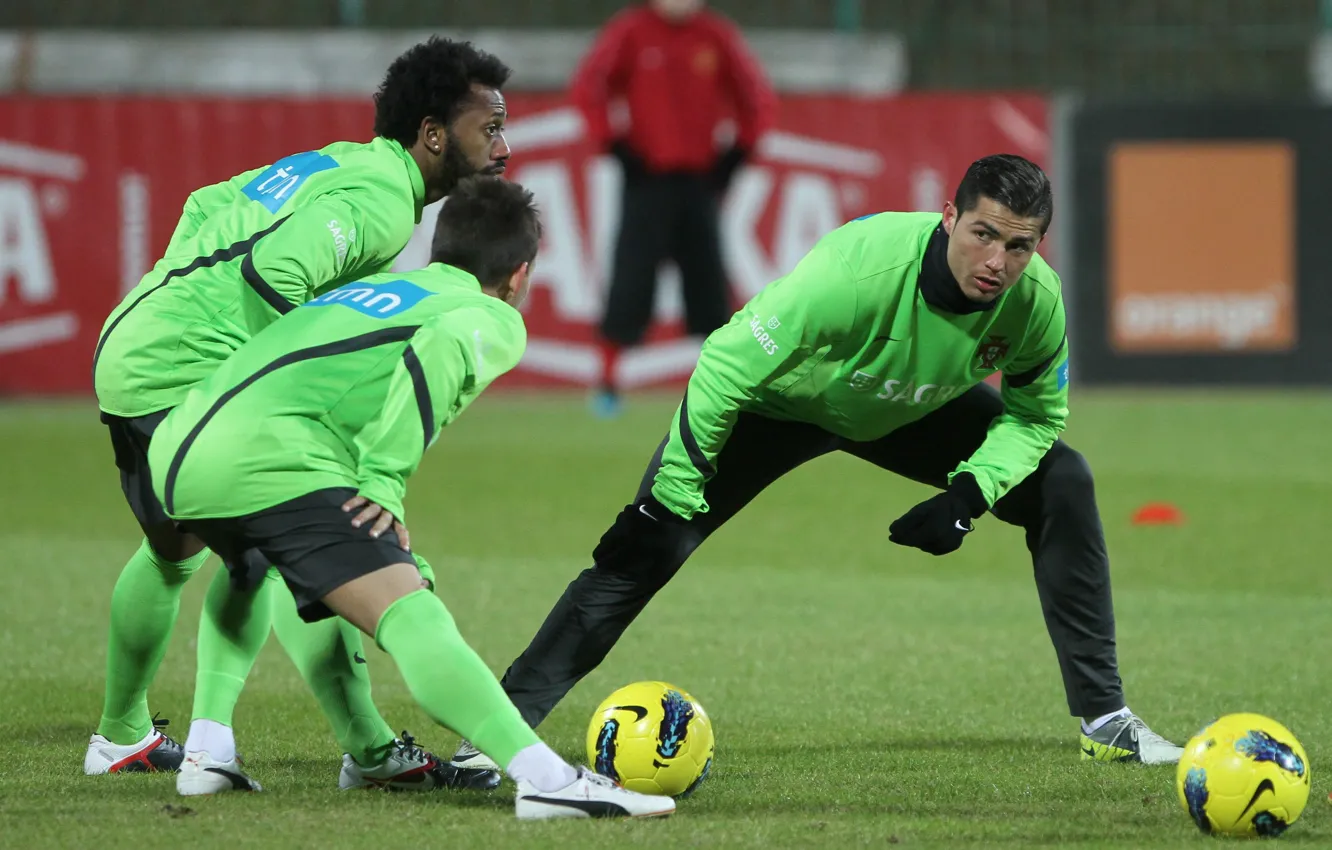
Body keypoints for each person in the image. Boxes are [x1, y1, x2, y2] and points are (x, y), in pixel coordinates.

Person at [448, 154, 1184, 779]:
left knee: (1065, 481)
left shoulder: (1036, 306)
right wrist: (668, 499)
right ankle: (498, 737)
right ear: (948, 216)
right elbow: (725, 365)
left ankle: (1106, 718)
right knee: (646, 548)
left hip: (907, 408)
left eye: (1019, 246)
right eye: (984, 234)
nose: (997, 262)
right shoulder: (855, 275)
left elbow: (1034, 418)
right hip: (780, 406)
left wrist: (970, 492)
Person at [145, 176, 674, 819]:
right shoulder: (488, 315)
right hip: (268, 457)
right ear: (519, 273)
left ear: (439, 247)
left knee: (261, 569)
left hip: (179, 449)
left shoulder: (378, 289)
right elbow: (443, 349)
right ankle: (544, 779)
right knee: (406, 606)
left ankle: (208, 751)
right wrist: (383, 481)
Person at [85, 36, 510, 792]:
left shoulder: (341, 162)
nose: (503, 147)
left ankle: (122, 736)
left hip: (138, 342)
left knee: (177, 550)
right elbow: (275, 269)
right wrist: (292, 369)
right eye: (491, 127)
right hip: (185, 363)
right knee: (284, 544)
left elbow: (204, 207)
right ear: (434, 135)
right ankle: (361, 752)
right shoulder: (382, 203)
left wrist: (185, 298)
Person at [570, 0, 777, 417]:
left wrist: (741, 149)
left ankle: (723, 386)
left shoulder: (715, 36)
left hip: (699, 184)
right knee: (630, 280)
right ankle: (608, 384)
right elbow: (589, 88)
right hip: (646, 180)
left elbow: (755, 95)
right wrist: (613, 142)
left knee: (709, 290)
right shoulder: (631, 31)